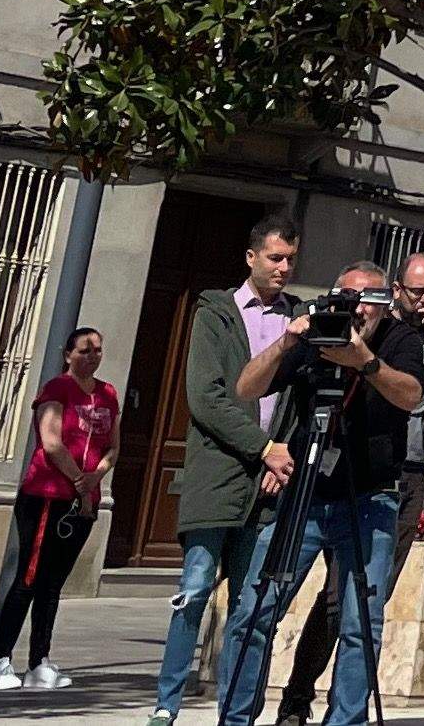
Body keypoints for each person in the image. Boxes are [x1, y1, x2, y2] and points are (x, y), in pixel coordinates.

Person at [213, 264, 424, 726]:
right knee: (254, 608)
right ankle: (236, 717)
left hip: (370, 496)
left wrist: (364, 362)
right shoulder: (316, 333)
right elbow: (245, 387)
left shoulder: (399, 339)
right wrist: (288, 343)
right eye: (343, 297)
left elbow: (411, 396)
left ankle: (344, 720)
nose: (353, 309)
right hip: (306, 495)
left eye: (363, 300)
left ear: (385, 302)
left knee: (359, 622)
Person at [279, 256, 424, 724]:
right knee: (337, 600)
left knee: (365, 601)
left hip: (404, 473)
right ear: (395, 291)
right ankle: (298, 696)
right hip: (347, 473)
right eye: (416, 291)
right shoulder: (372, 329)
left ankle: (340, 709)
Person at [153, 216, 301, 726]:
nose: (283, 268)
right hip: (218, 476)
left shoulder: (296, 320)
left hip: (269, 483)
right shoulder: (216, 313)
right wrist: (264, 448)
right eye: (275, 258)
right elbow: (206, 398)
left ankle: (235, 715)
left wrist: (279, 460)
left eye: (290, 260)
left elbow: (296, 404)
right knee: (194, 590)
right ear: (251, 257)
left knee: (253, 607)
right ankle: (165, 705)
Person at [0, 324, 117, 691]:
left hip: (83, 501)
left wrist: (94, 478)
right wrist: (79, 481)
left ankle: (40, 660)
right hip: (48, 494)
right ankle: (0, 659)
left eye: (97, 350)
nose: (92, 356)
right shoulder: (58, 389)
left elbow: (112, 447)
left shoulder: (107, 394)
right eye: (85, 350)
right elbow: (52, 442)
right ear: (68, 355)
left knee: (53, 584)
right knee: (28, 577)